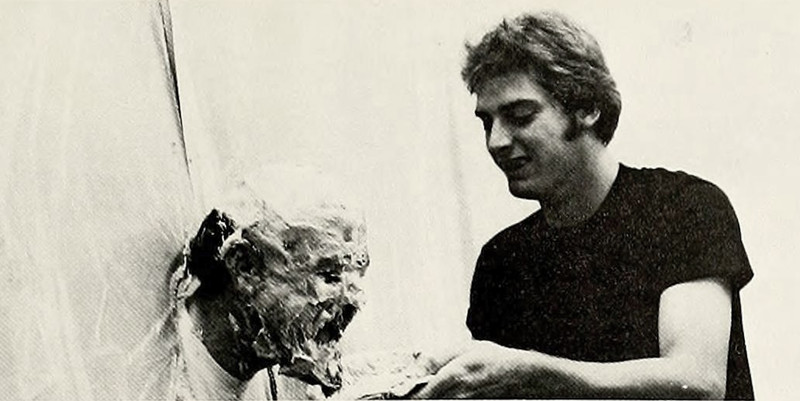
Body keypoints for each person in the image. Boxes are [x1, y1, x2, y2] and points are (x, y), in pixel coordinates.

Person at [414, 11, 753, 400]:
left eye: (520, 116)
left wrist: (531, 373)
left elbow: (698, 383)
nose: (496, 141)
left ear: (588, 107)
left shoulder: (684, 207)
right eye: (486, 123)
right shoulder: (501, 262)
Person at [126, 168, 370, 400]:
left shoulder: (289, 360)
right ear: (244, 267)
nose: (354, 303)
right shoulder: (146, 377)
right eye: (330, 276)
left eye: (356, 277)